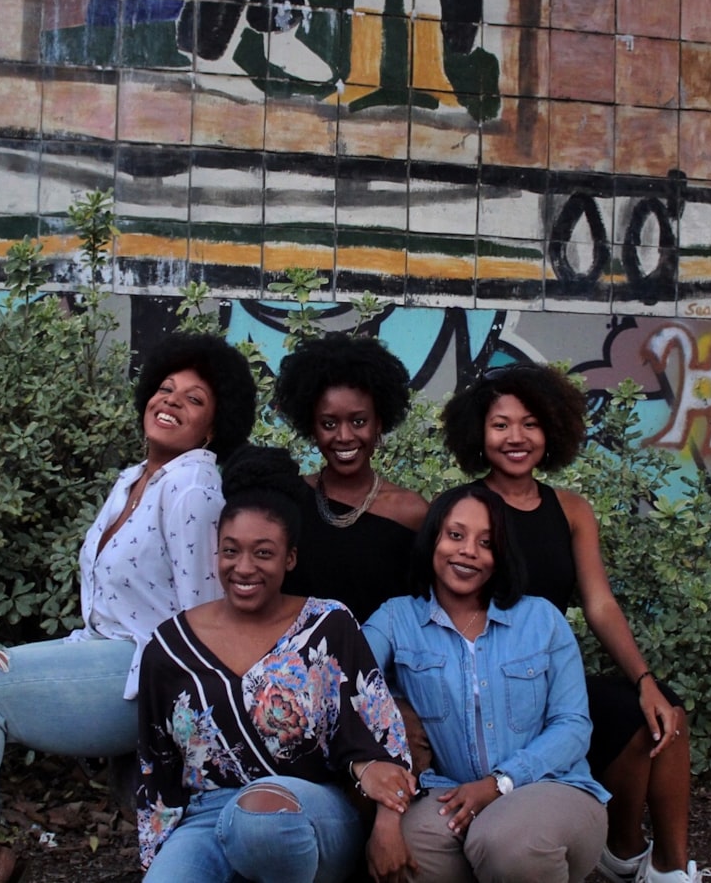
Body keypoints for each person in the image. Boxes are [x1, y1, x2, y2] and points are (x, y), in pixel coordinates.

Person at [0, 332, 258, 883]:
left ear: (212, 429)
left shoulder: (193, 483)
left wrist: (194, 735)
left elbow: (204, 613)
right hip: (99, 653)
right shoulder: (131, 481)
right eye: (165, 388)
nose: (170, 401)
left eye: (194, 400)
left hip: (144, 677)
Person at [442, 363, 711, 883]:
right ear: (479, 432)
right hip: (490, 684)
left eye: (531, 423)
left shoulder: (571, 509)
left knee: (662, 715)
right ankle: (622, 849)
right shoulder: (465, 508)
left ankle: (668, 869)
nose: (516, 437)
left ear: (552, 430)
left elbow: (600, 604)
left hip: (554, 677)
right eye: (501, 425)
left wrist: (645, 681)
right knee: (626, 720)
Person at [136, 444, 416, 882]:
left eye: (263, 553)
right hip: (206, 818)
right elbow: (158, 768)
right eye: (231, 551)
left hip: (307, 814)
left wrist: (387, 824)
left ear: (290, 558)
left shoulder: (327, 626)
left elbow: (383, 743)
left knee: (260, 821)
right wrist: (159, 856)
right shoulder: (169, 646)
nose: (243, 567)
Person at [363, 484, 610, 883]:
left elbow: (573, 726)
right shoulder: (396, 620)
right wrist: (388, 814)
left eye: (486, 542)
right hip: (449, 790)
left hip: (549, 785)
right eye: (455, 535)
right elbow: (349, 688)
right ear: (433, 541)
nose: (468, 551)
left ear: (500, 556)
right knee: (408, 853)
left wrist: (498, 783)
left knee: (509, 844)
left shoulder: (541, 620)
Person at [272, 331, 429, 624]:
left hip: (379, 666)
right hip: (294, 666)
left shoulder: (411, 512)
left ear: (379, 422)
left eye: (359, 421)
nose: (344, 436)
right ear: (312, 427)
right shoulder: (290, 499)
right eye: (329, 423)